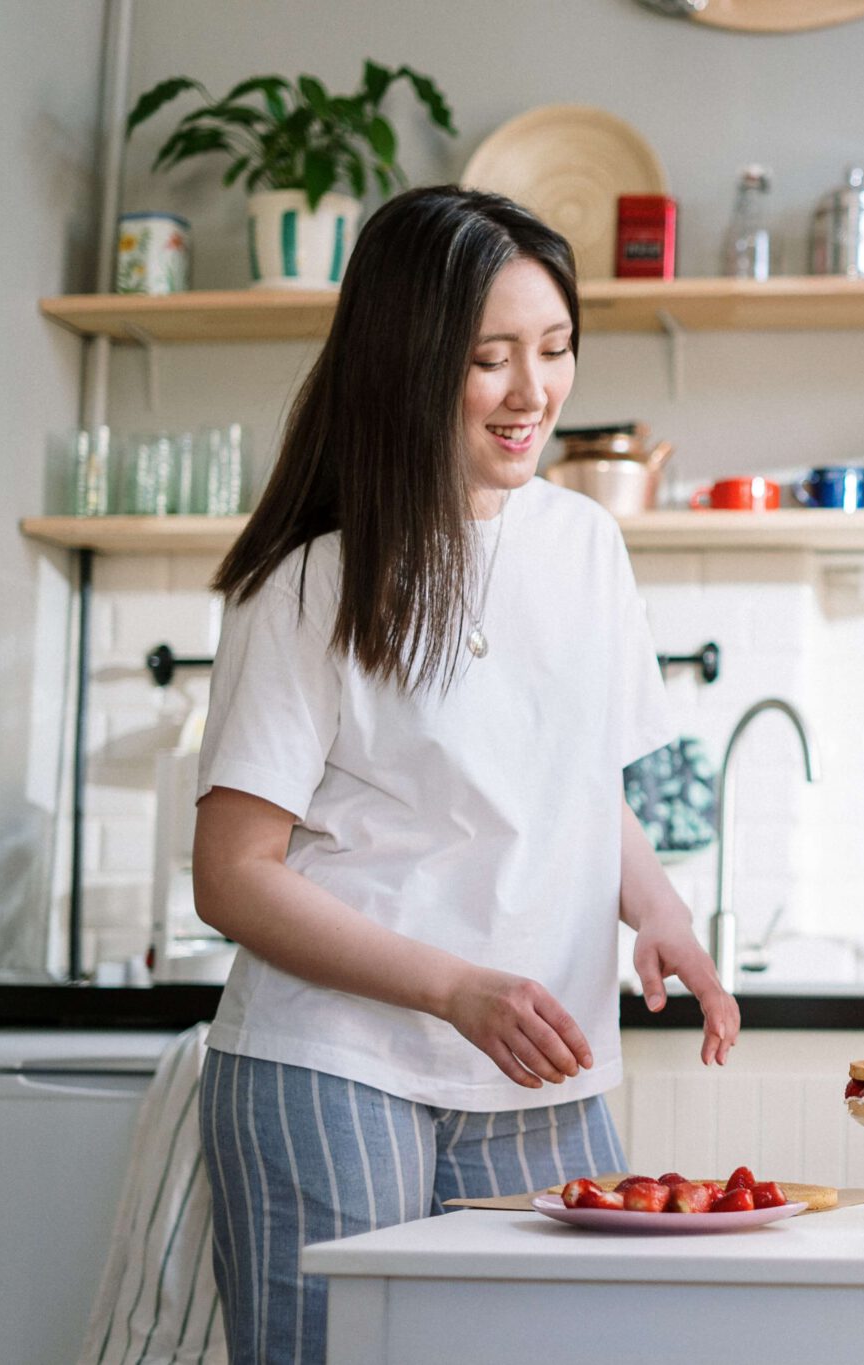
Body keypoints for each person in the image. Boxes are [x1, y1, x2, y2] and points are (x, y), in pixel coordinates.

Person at [190, 185, 737, 1364]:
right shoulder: (310, 579)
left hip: (542, 1069)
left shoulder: (584, 543)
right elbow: (232, 877)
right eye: (490, 359)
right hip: (334, 1065)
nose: (533, 392)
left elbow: (580, 782)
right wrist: (452, 989)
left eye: (554, 350)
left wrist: (662, 913)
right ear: (408, 361)